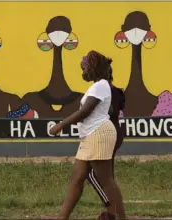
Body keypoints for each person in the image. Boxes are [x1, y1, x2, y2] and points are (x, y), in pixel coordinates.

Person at [49, 51, 126, 220]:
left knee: (106, 180)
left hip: (98, 134)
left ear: (93, 67)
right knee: (77, 178)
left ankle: (120, 217)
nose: (82, 71)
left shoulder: (101, 85)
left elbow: (85, 111)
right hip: (90, 136)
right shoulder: (99, 86)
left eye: (84, 67)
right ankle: (61, 217)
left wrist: (61, 125)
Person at [86, 60, 126, 208]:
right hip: (116, 131)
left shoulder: (106, 91)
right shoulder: (114, 90)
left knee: (92, 174)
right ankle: (113, 208)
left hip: (107, 132)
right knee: (106, 175)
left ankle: (110, 207)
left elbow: (112, 112)